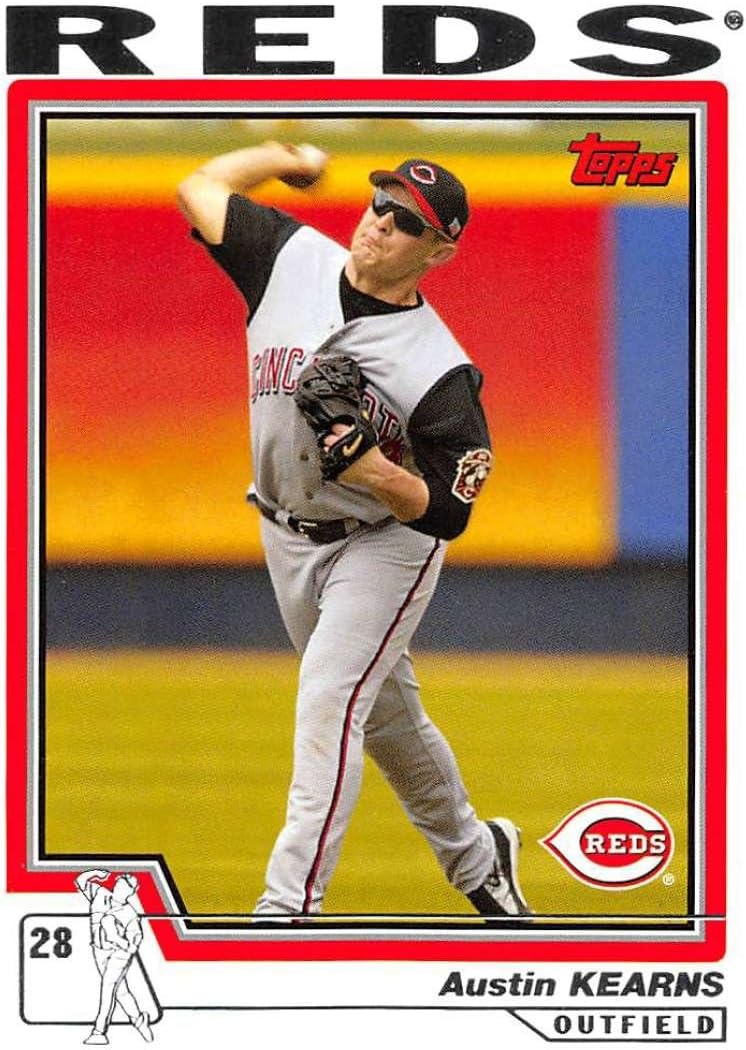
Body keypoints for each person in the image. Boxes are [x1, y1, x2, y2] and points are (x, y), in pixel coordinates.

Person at [177, 140, 531, 921]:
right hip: (286, 531)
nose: (380, 222)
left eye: (406, 221)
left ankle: (286, 912)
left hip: (384, 545)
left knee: (329, 702)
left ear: (438, 252)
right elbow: (198, 186)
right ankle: (481, 859)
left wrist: (374, 471)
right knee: (391, 725)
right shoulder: (289, 257)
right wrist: (285, 153)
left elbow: (450, 511)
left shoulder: (439, 372)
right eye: (380, 202)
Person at [75, 870, 154, 1044]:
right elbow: (80, 881)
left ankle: (99, 1031)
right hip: (98, 950)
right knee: (121, 992)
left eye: (125, 888)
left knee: (108, 987)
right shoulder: (100, 894)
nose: (120, 889)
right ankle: (139, 1020)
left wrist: (117, 939)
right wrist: (95, 873)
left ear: (132, 892)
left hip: (118, 954)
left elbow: (133, 943)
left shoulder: (130, 914)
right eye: (119, 885)